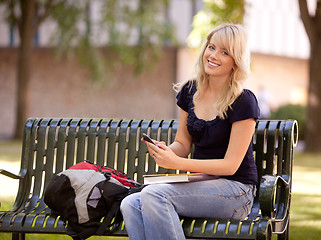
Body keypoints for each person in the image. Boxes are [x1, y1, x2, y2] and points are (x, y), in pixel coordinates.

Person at [120, 23, 260, 240]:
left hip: (236, 191)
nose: (213, 55)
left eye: (224, 52)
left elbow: (230, 166)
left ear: (236, 62)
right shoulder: (190, 91)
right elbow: (183, 144)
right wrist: (167, 152)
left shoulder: (243, 101)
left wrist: (179, 164)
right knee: (131, 203)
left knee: (156, 196)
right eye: (211, 47)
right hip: (200, 184)